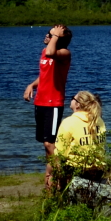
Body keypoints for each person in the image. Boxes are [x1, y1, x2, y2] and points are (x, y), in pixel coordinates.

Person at [23, 24, 72, 181]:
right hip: (41, 102)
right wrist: (32, 85)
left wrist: (56, 35)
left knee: (50, 143)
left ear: (57, 39)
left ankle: (60, 177)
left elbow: (52, 52)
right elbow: (44, 75)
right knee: (46, 144)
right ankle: (50, 176)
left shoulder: (64, 53)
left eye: (49, 35)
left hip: (53, 103)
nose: (46, 36)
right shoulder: (45, 52)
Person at [54, 90, 104, 162]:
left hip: (74, 168)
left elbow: (60, 153)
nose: (70, 100)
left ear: (77, 104)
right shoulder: (99, 120)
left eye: (72, 98)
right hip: (97, 166)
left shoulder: (68, 122)